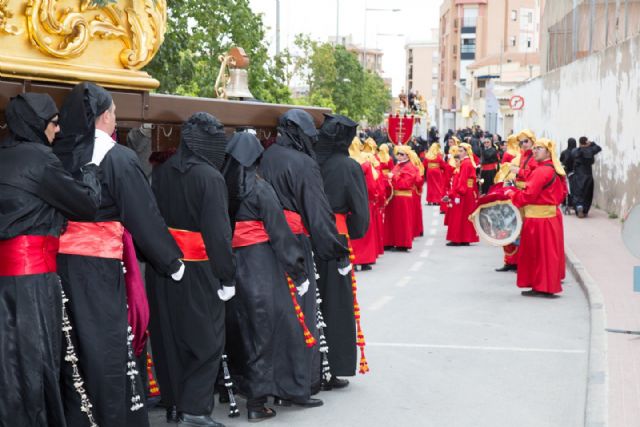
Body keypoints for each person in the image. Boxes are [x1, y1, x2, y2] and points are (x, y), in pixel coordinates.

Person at [53, 82, 185, 427]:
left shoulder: (56, 154)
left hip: (56, 267)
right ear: (105, 116)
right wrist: (170, 260)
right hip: (98, 271)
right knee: (106, 349)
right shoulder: (119, 159)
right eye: (112, 113)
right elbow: (143, 216)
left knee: (70, 351)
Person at [0, 93, 102, 427]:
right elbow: (86, 205)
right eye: (53, 123)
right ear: (36, 123)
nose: (57, 130)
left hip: (6, 281)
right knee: (35, 366)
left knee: (6, 366)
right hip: (32, 283)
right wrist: (90, 168)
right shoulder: (40, 160)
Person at [146, 112, 235, 427]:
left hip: (164, 267)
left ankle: (174, 405)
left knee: (169, 338)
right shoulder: (210, 177)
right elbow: (218, 234)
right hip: (198, 267)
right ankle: (194, 410)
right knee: (206, 341)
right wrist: (227, 275)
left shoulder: (163, 171)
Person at [259, 109, 351, 407]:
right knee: (302, 314)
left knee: (270, 315)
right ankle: (299, 386)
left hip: (263, 244)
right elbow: (317, 212)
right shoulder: (304, 163)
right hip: (295, 244)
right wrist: (336, 249)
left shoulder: (267, 156)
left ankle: (270, 384)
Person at [222, 130, 315, 422]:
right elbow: (280, 233)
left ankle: (235, 388)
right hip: (260, 265)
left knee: (238, 331)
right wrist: (298, 272)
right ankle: (259, 402)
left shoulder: (219, 186)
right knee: (267, 332)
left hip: (230, 266)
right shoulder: (261, 189)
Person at [315, 114, 370, 388]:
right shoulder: (348, 167)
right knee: (335, 304)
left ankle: (312, 366)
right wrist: (356, 230)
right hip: (336, 236)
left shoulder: (310, 160)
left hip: (308, 235)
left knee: (310, 302)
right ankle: (332, 367)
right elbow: (359, 211)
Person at [506, 138, 567, 297]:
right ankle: (543, 286)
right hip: (548, 217)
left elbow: (528, 195)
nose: (535, 150)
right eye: (535, 148)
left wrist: (512, 194)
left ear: (548, 152)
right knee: (545, 254)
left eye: (539, 148)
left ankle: (542, 287)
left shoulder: (541, 171)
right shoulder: (553, 169)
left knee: (538, 255)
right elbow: (562, 194)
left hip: (538, 220)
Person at [384, 145, 422, 251]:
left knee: (402, 221)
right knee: (392, 220)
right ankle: (390, 241)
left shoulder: (410, 167)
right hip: (394, 196)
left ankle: (402, 244)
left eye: (402, 154)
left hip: (403, 197)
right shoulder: (398, 165)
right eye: (398, 154)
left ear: (407, 156)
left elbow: (405, 184)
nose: (399, 156)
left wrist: (393, 177)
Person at [444, 143, 479, 246]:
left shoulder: (465, 163)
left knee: (458, 216)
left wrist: (456, 192)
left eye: (461, 151)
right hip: (467, 192)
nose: (459, 153)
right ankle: (464, 238)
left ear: (466, 152)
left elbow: (462, 179)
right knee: (465, 216)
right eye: (458, 151)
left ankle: (457, 238)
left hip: (464, 192)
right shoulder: (467, 162)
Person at [570, 137, 602, 218]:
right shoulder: (591, 150)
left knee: (577, 192)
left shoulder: (575, 151)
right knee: (587, 193)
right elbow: (599, 148)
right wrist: (591, 143)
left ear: (579, 143)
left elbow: (571, 157)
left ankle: (579, 207)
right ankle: (585, 210)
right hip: (588, 173)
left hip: (578, 174)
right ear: (586, 142)